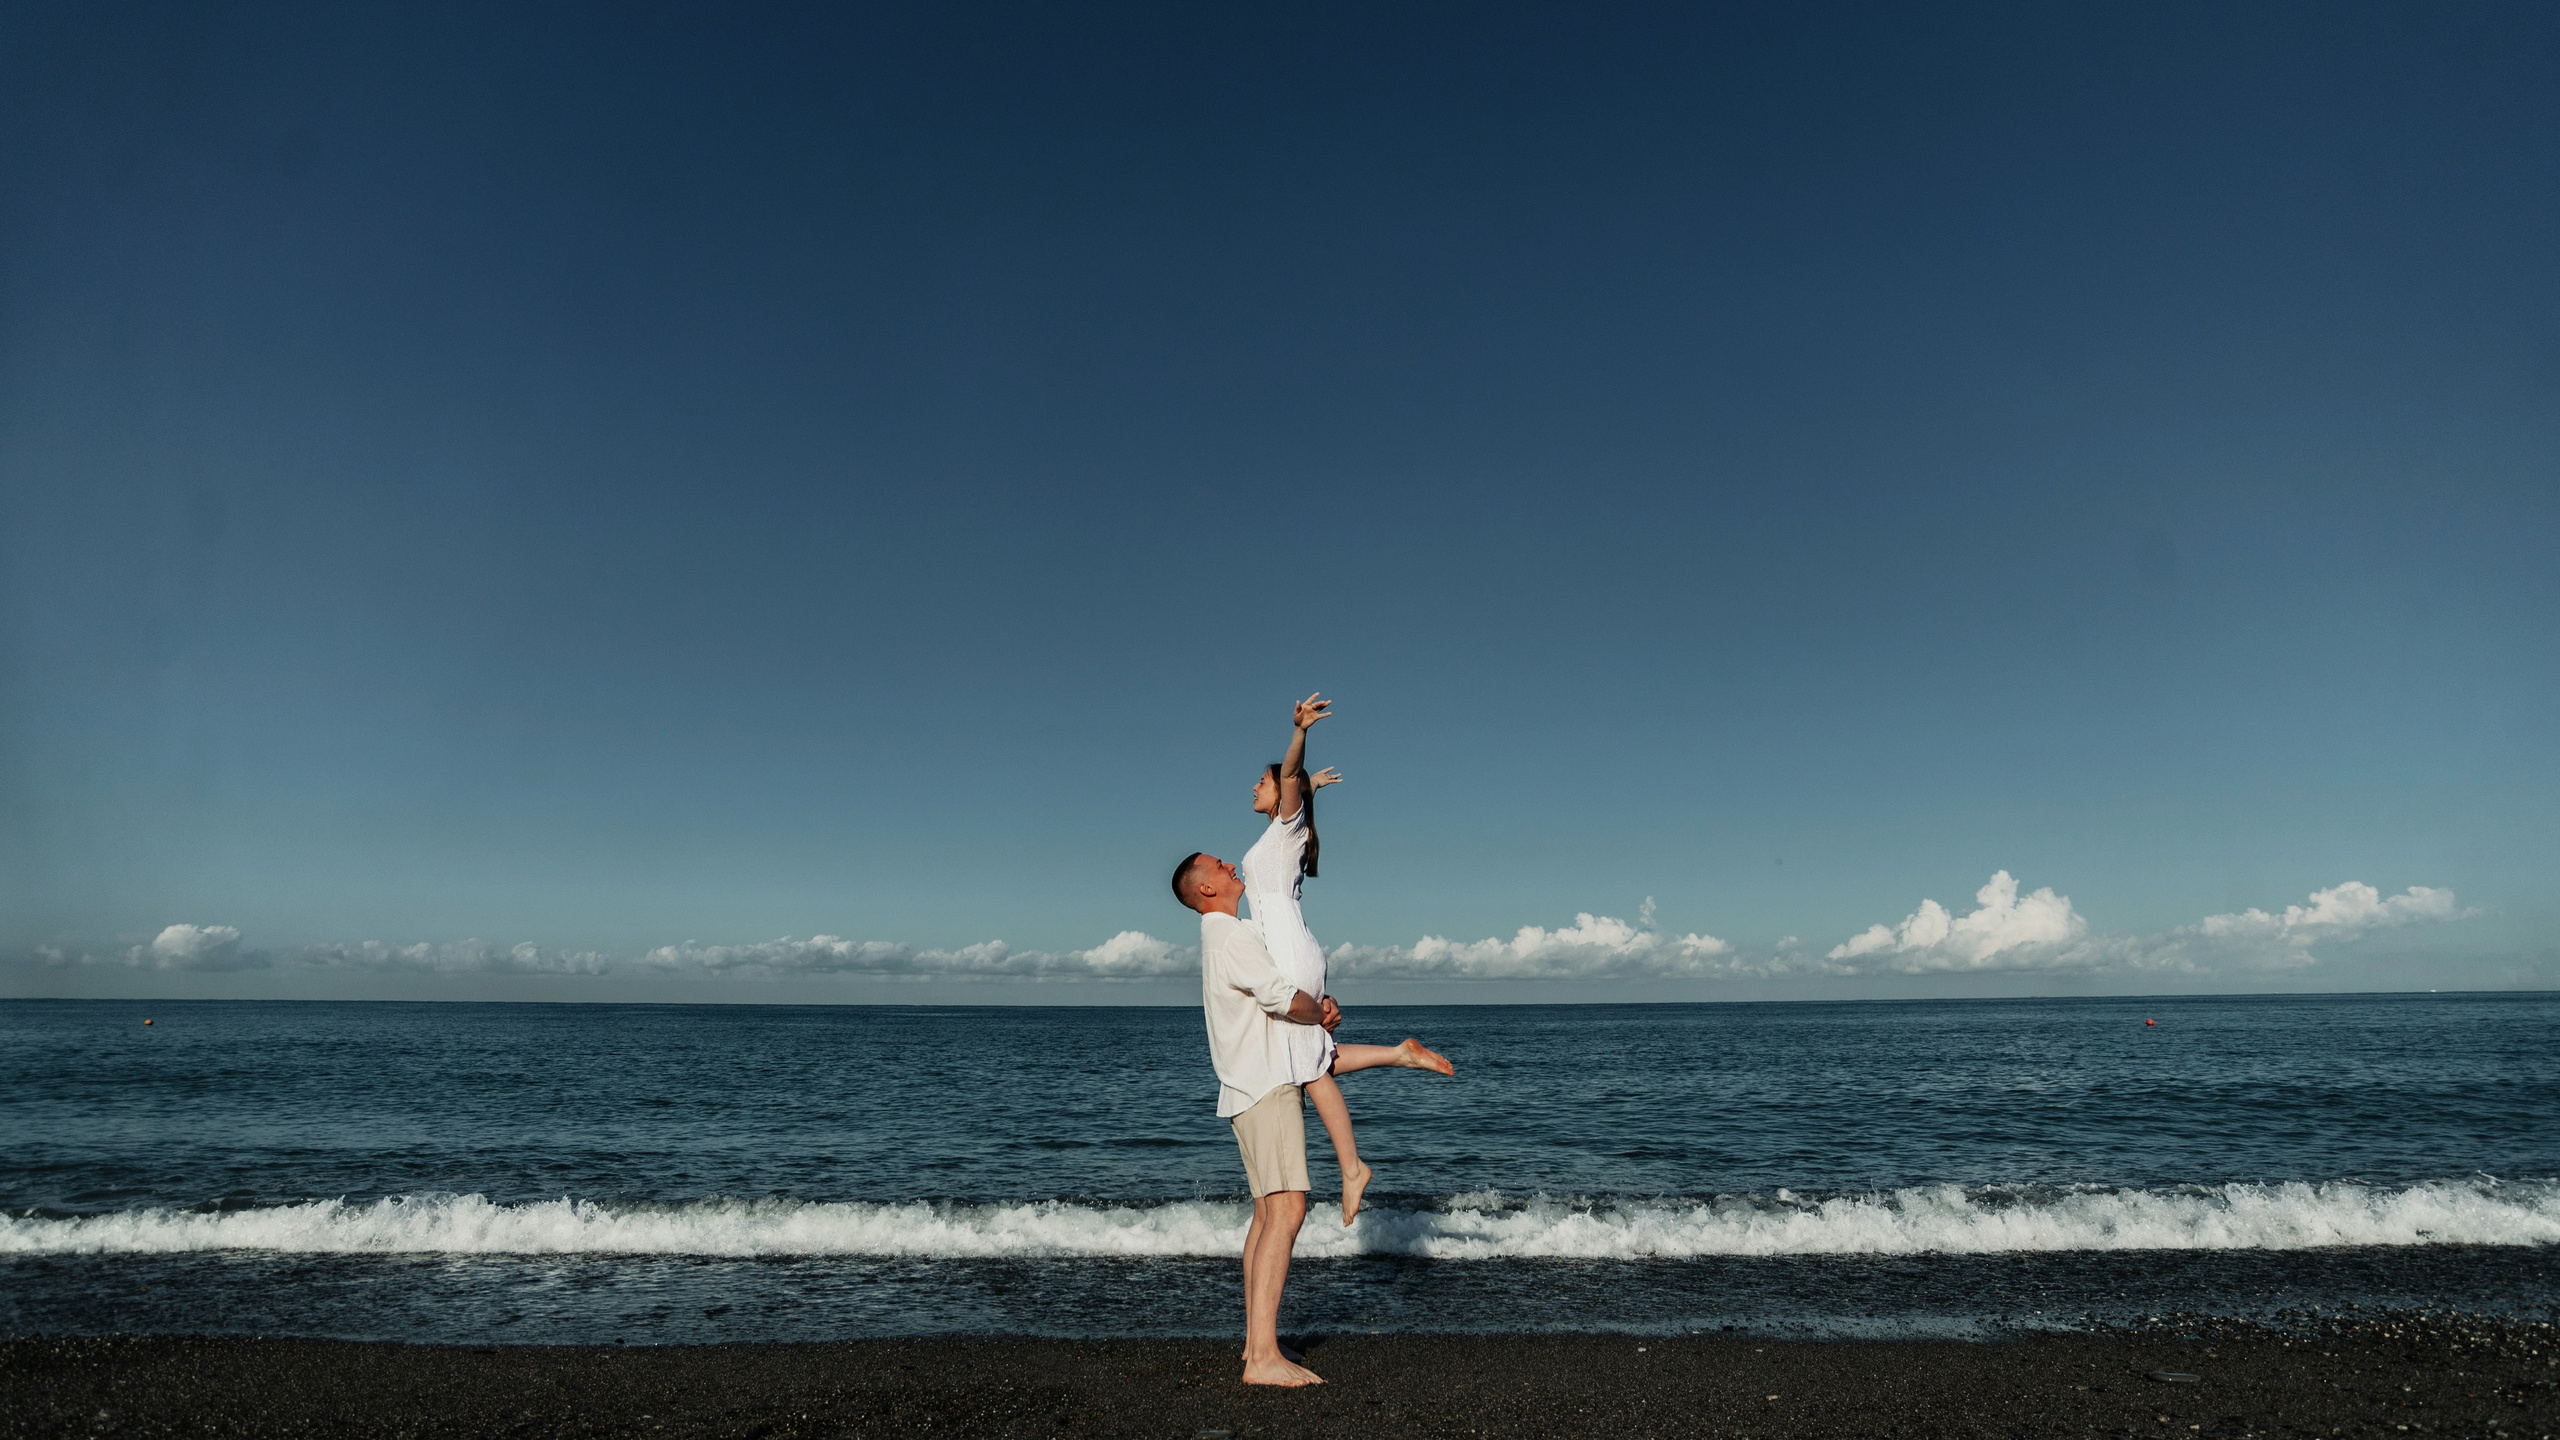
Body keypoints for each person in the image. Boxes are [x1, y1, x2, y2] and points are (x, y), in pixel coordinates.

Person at [1239, 692, 1452, 1226]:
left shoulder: (1287, 829)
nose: (1255, 787)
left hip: (1289, 950)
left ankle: (1353, 1168)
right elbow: (1296, 788)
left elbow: (1290, 776)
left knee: (1309, 1071)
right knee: (1314, 1055)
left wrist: (1299, 735)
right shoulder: (1280, 835)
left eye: (1260, 782)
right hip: (1292, 947)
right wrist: (1310, 787)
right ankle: (1400, 1054)